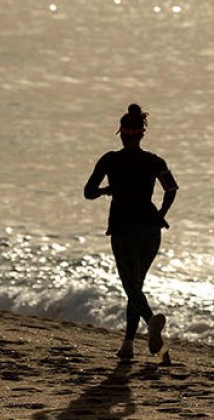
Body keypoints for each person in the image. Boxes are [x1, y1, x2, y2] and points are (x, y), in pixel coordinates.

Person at [84, 103, 178, 359]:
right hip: (150, 229)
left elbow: (88, 192)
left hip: (124, 228)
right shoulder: (154, 161)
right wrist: (160, 215)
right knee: (136, 286)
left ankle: (150, 323)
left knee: (131, 286)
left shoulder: (110, 159)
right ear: (141, 134)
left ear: (122, 134)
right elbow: (171, 189)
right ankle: (127, 346)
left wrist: (107, 190)